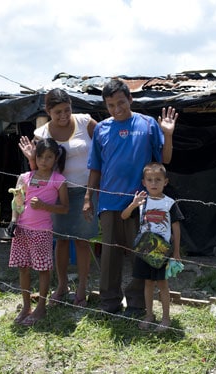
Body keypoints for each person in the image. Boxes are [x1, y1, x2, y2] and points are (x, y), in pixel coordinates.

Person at [83, 79, 178, 315]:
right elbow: (95, 167)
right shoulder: (102, 129)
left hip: (142, 203)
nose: (116, 109)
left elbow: (164, 160)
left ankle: (136, 303)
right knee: (109, 256)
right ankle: (109, 302)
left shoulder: (147, 125)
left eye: (121, 103)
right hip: (109, 202)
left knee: (141, 254)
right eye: (111, 105)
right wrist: (88, 197)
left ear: (130, 100)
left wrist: (168, 134)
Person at [19, 88, 98, 307]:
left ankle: (82, 288)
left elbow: (103, 148)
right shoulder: (41, 133)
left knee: (82, 241)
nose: (63, 116)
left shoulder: (85, 122)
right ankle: (62, 285)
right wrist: (30, 159)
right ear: (48, 111)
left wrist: (91, 193)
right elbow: (38, 169)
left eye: (67, 110)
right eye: (58, 112)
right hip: (54, 194)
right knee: (61, 240)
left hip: (86, 191)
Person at [8, 138, 69, 326]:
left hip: (42, 231)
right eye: (40, 156)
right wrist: (13, 221)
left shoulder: (58, 180)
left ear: (55, 158)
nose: (44, 161)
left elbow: (65, 208)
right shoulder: (25, 177)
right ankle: (26, 306)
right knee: (23, 268)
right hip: (22, 230)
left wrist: (45, 206)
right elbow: (17, 202)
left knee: (43, 269)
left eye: (49, 157)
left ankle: (41, 307)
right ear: (36, 157)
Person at [121, 162, 184, 330]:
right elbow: (124, 216)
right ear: (144, 182)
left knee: (162, 284)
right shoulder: (141, 202)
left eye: (158, 179)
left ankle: (166, 319)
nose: (154, 183)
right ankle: (149, 315)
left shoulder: (170, 203)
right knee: (148, 283)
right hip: (145, 250)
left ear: (165, 182)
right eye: (150, 180)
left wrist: (176, 251)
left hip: (162, 251)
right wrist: (134, 204)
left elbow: (176, 228)